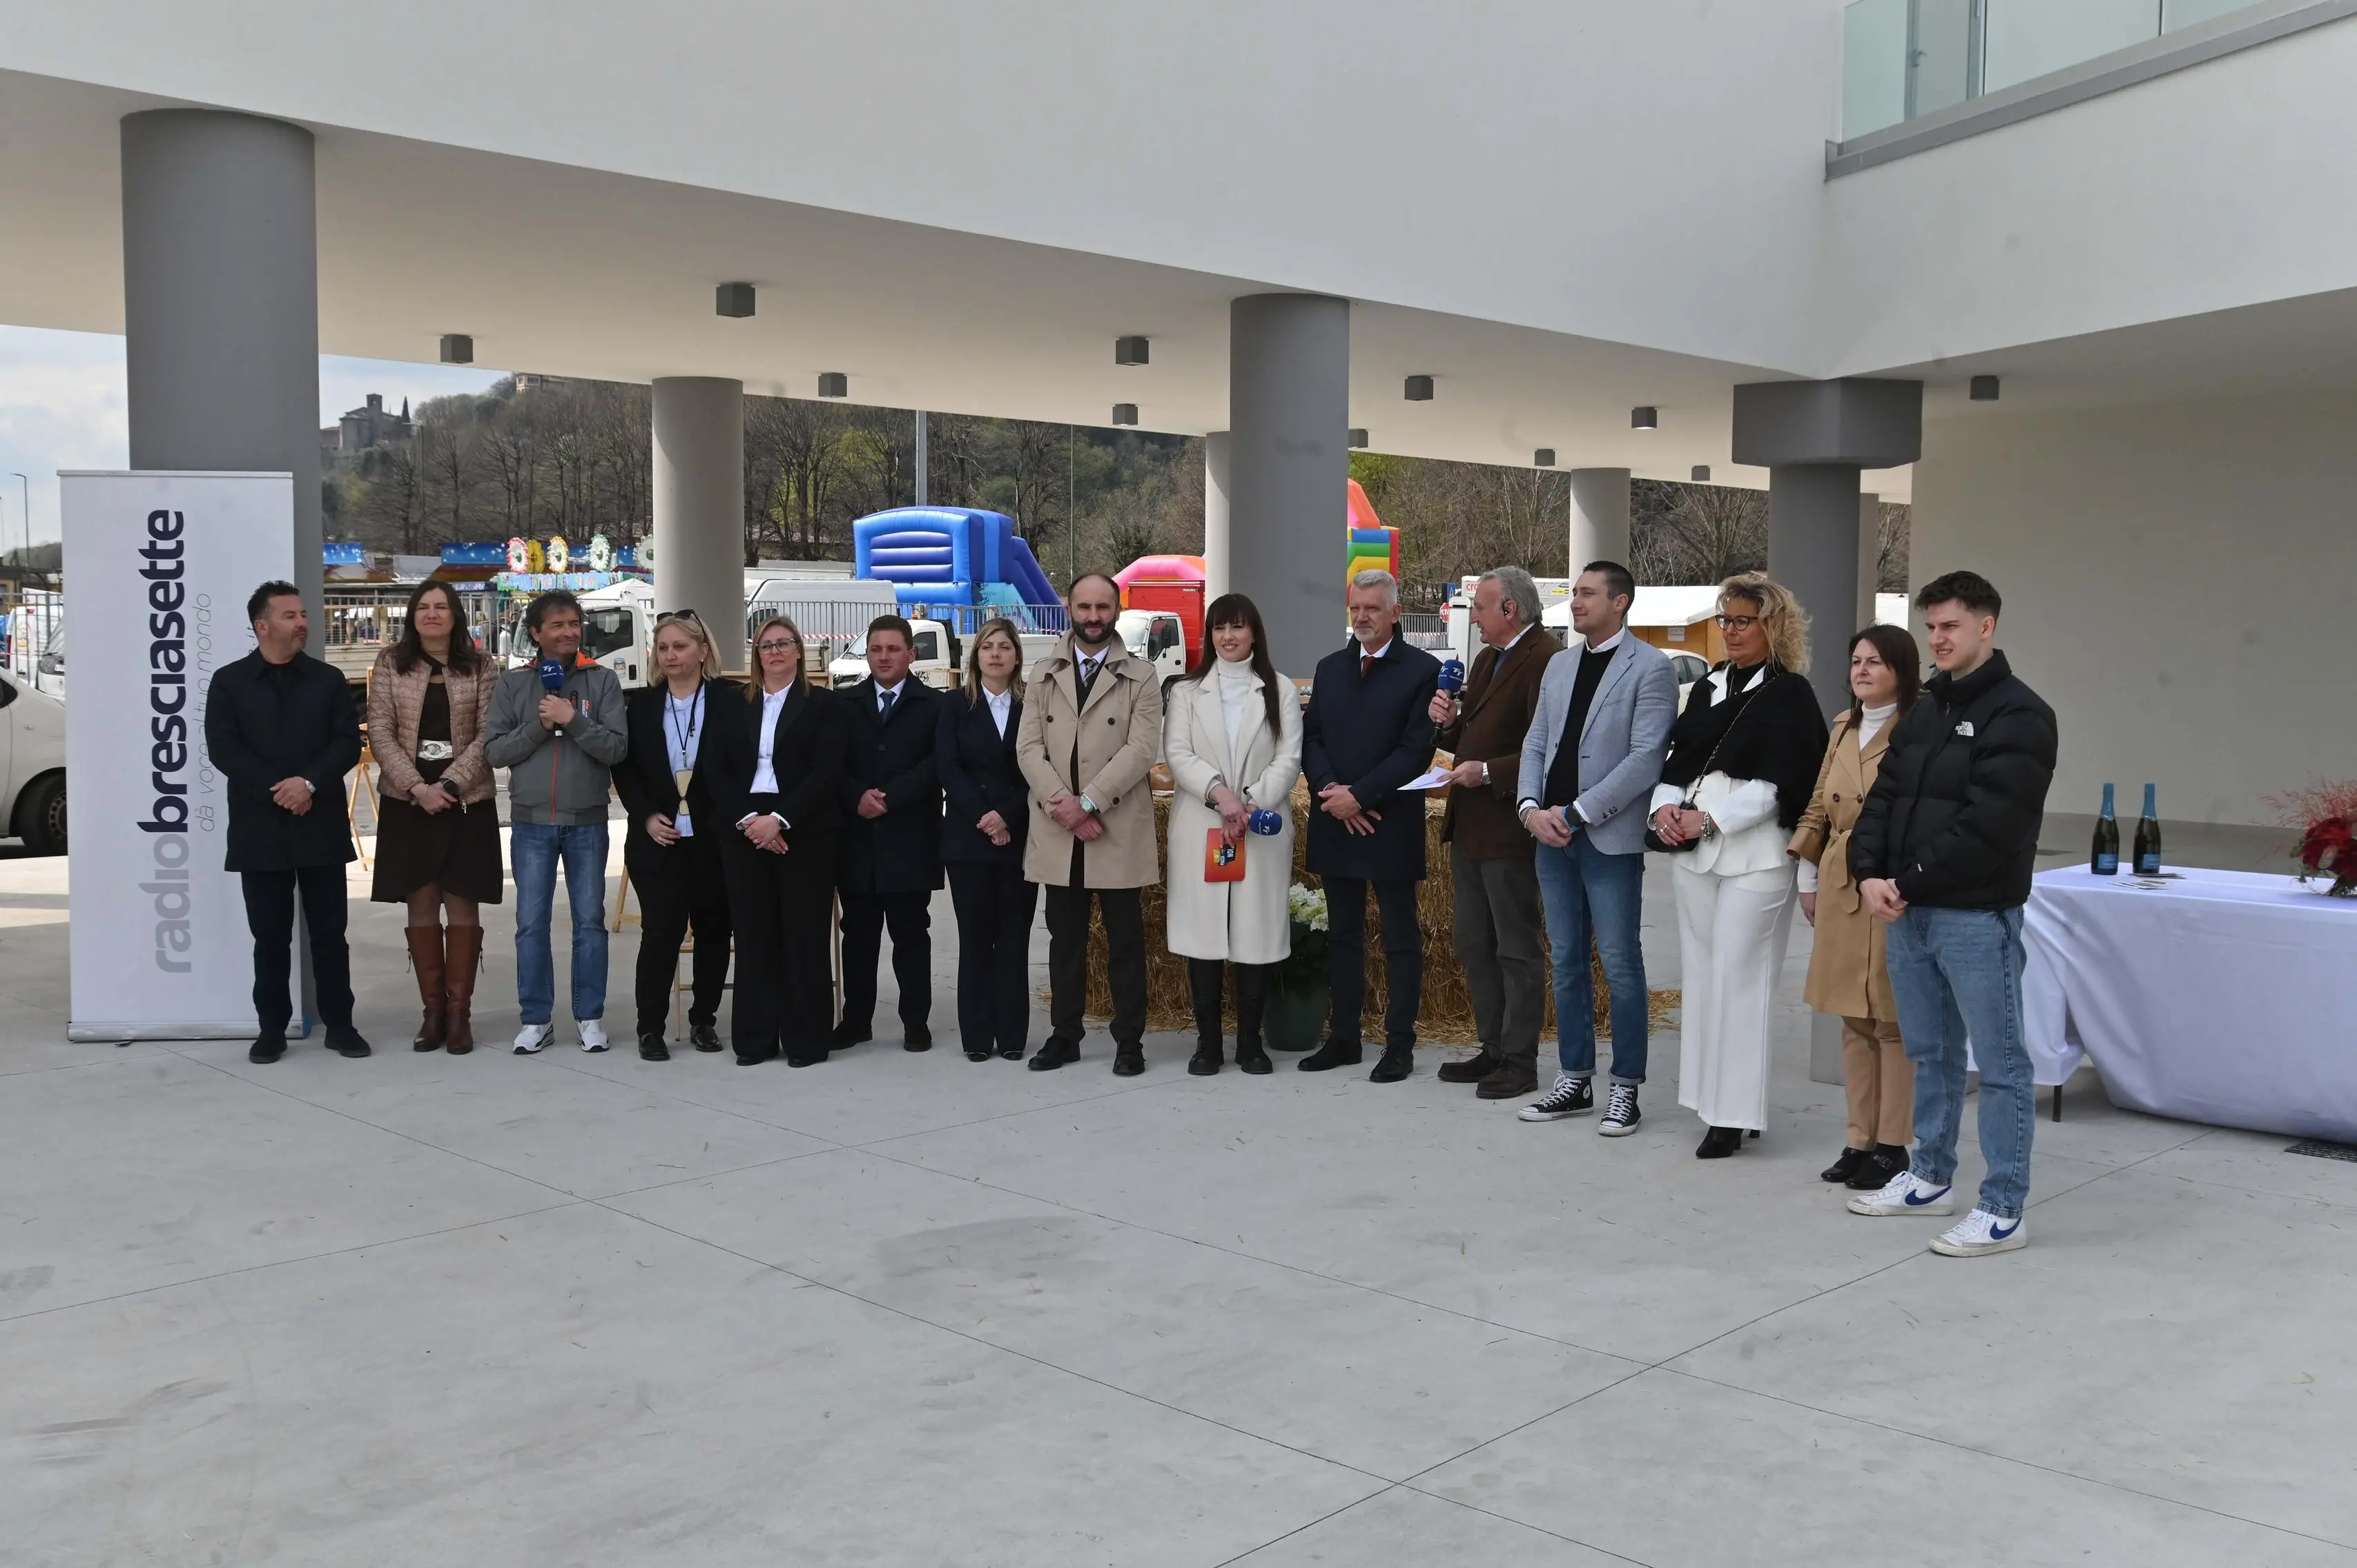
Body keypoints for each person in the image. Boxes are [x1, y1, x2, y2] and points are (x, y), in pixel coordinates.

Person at [1847, 571, 2057, 1257]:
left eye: (1950, 627)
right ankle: (1929, 1175)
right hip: (1909, 912)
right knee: (1930, 1054)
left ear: (1987, 628)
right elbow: (1884, 799)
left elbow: (1990, 825)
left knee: (1998, 1063)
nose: (1936, 639)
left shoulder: (2022, 716)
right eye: (1930, 627)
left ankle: (2003, 1208)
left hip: (1974, 916)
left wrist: (1904, 881)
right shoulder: (1927, 708)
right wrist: (1869, 873)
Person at [1647, 573, 1827, 1158]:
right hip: (1694, 855)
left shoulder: (1790, 694)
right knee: (1701, 977)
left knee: (1740, 977)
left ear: (1772, 626)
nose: (1729, 630)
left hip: (1755, 856)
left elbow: (1785, 784)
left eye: (1742, 620)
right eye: (1724, 619)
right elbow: (1675, 762)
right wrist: (1664, 811)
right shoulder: (1706, 689)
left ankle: (1735, 1113)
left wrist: (1713, 819)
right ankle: (1707, 1101)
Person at [1515, 561, 1680, 1132]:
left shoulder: (1652, 668)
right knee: (1565, 961)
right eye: (1576, 593)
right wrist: (1530, 809)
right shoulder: (1560, 665)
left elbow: (1645, 758)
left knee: (1620, 963)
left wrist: (1579, 812)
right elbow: (1537, 741)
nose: (1576, 602)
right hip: (1550, 837)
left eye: (1587, 593)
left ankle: (1626, 1087)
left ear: (1622, 602)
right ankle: (1575, 1078)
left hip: (1606, 837)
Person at [206, 581, 367, 1064]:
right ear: (262, 625)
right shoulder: (229, 682)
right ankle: (271, 1029)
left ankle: (341, 1025)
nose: (302, 622)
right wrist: (280, 789)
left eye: (302, 614)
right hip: (261, 827)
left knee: (330, 934)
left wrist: (309, 785)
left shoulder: (327, 679)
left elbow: (345, 742)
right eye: (290, 615)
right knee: (270, 937)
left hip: (319, 823)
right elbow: (224, 750)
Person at [1788, 625, 1921, 1190]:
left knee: (1892, 1021)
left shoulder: (1917, 727)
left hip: (1893, 881)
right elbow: (1820, 802)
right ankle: (1857, 1139)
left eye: (1875, 661)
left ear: (1901, 669)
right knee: (1853, 1018)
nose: (1861, 670)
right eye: (1856, 661)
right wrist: (1808, 873)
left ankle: (1894, 1144)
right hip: (1844, 877)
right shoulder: (1844, 725)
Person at [1015, 572, 1163, 1075]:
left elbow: (1142, 749)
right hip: (1061, 828)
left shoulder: (1141, 676)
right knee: (1065, 940)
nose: (1094, 616)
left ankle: (1129, 1041)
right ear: (1069, 609)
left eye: (1103, 607)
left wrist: (1091, 802)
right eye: (1085, 606)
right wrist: (1064, 804)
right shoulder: (1042, 674)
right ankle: (1065, 1034)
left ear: (1116, 611)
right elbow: (1028, 747)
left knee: (1125, 941)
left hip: (1114, 826)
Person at [1299, 568, 1442, 1083]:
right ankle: (1344, 1038)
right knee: (1343, 935)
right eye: (1356, 607)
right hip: (1335, 816)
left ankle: (1399, 1045)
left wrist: (1360, 795)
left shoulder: (1422, 670)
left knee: (1400, 937)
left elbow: (1416, 749)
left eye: (1372, 608)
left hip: (1390, 820)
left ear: (1395, 613)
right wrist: (1333, 792)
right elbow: (1310, 738)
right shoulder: (1330, 667)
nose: (1361, 616)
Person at [1426, 567, 1555, 1101]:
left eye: (1480, 607)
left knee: (1516, 946)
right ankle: (1494, 1047)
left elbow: (1545, 747)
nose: (1472, 616)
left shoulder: (1545, 660)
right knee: (1475, 941)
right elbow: (1471, 733)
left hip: (1508, 827)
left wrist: (1490, 773)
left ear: (1511, 611)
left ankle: (1520, 1058)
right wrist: (1450, 721)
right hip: (1473, 823)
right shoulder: (1487, 658)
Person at [482, 590, 628, 1055]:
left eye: (574, 623)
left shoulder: (601, 681)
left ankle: (590, 1016)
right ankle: (536, 1018)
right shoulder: (513, 685)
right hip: (530, 823)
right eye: (557, 625)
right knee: (530, 923)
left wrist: (573, 720)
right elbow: (495, 751)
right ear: (537, 633)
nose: (568, 631)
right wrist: (540, 726)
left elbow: (617, 748)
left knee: (590, 922)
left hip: (586, 820)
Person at [1162, 593, 1303, 1076]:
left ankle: (1250, 1041)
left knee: (1253, 930)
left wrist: (1250, 801)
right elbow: (1178, 754)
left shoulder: (1279, 689)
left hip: (1257, 826)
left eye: (1238, 627)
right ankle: (1207, 1044)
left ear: (1254, 633)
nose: (1228, 637)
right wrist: (1221, 796)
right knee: (1205, 932)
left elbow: (1289, 757)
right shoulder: (1185, 692)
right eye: (1220, 628)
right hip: (1205, 823)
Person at [367, 581, 501, 1056]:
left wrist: (448, 785)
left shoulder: (482, 666)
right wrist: (417, 787)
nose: (431, 614)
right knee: (421, 901)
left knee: (462, 903)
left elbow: (489, 733)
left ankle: (460, 1013)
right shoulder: (390, 662)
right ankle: (433, 1013)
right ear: (411, 615)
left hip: (465, 800)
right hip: (409, 801)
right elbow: (380, 729)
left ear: (455, 614)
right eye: (423, 607)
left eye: (441, 606)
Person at [706, 616, 846, 1067]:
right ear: (756, 654)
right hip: (744, 828)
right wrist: (752, 820)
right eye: (767, 645)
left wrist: (781, 820)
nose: (776, 651)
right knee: (754, 936)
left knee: (804, 936)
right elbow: (716, 770)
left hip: (805, 829)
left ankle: (806, 1041)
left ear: (800, 651)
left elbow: (827, 771)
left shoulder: (822, 704)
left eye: (784, 643)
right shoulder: (731, 704)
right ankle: (754, 1040)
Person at [612, 611, 737, 1061]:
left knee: (713, 930)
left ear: (703, 651)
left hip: (713, 839)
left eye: (680, 647)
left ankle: (704, 1019)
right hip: (658, 841)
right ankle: (651, 1027)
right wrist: (645, 815)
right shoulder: (640, 705)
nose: (670, 655)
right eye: (663, 648)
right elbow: (624, 768)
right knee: (660, 932)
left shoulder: (732, 699)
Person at [833, 615, 943, 1052]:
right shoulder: (844, 705)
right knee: (858, 936)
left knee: (911, 936)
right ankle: (856, 1019)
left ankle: (915, 1021)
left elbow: (938, 765)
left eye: (893, 649)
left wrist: (892, 796)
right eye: (876, 649)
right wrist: (855, 795)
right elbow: (830, 764)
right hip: (857, 841)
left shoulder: (935, 707)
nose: (883, 657)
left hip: (910, 841)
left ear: (911, 654)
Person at [936, 619, 1037, 1062]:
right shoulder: (954, 705)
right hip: (968, 839)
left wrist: (1008, 816)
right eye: (987, 647)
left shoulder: (1034, 705)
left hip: (1019, 837)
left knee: (1014, 939)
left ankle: (1013, 1035)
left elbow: (1039, 769)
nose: (995, 654)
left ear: (1017, 655)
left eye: (1004, 647)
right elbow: (948, 768)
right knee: (975, 939)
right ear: (975, 656)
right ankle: (977, 1037)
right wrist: (984, 816)